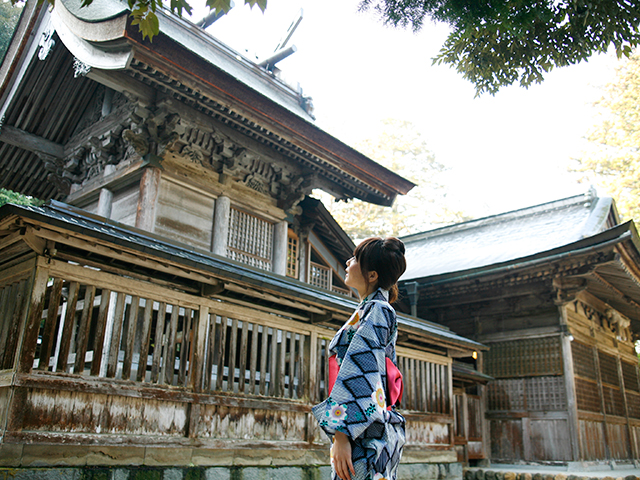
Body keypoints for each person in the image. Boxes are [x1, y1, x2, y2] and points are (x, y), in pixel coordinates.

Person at [312, 237, 407, 480]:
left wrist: (341, 435)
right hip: (363, 426)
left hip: (362, 432)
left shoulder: (378, 310)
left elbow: (362, 371)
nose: (348, 261)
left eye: (355, 258)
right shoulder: (370, 308)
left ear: (372, 275)